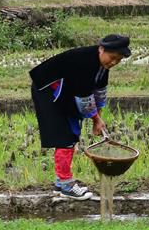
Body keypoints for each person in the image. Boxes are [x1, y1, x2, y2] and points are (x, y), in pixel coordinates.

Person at [29, 35, 131, 199]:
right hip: (49, 90)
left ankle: (60, 183)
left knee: (71, 133)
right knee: (65, 136)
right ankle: (65, 184)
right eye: (112, 58)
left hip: (66, 92)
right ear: (101, 49)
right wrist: (96, 119)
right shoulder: (85, 62)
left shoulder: (102, 66)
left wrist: (99, 117)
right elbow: (84, 98)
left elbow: (99, 92)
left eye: (118, 61)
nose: (113, 63)